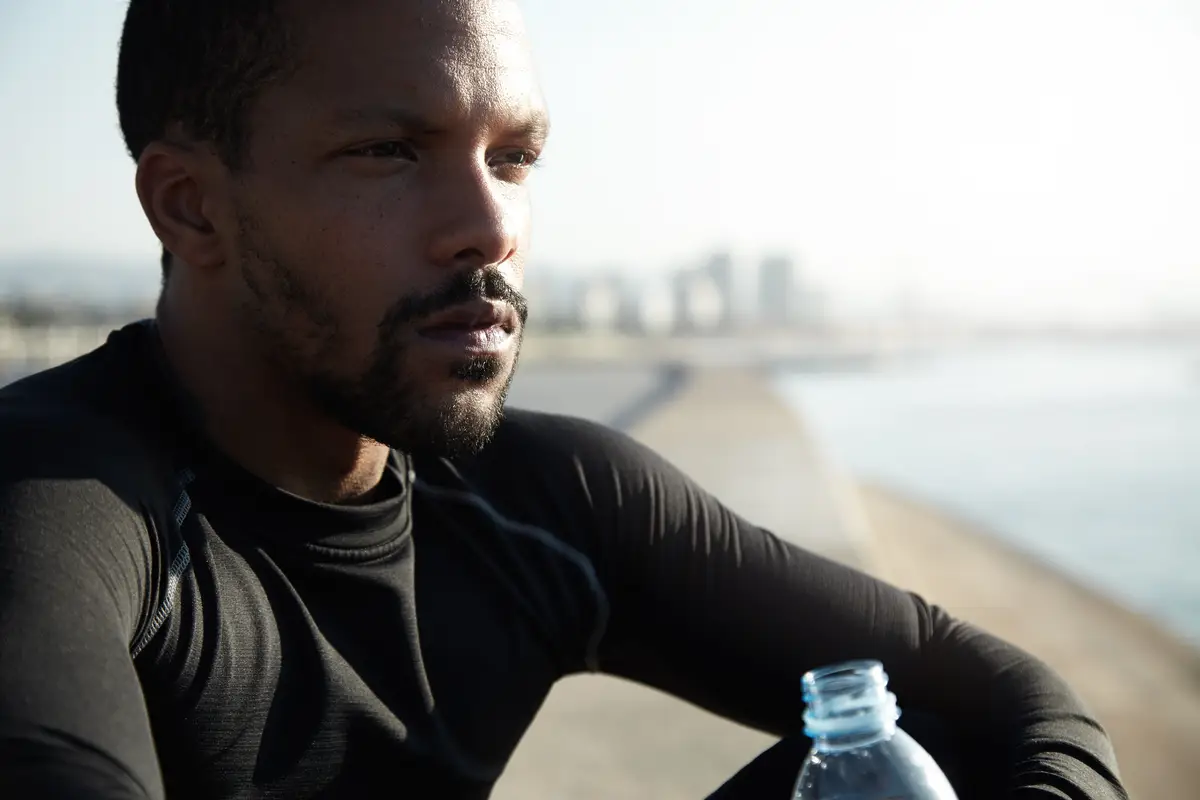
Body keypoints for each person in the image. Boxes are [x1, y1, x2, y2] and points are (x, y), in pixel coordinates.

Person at [0, 1, 1127, 798]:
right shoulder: (54, 506)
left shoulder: (544, 498)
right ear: (192, 208)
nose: (490, 227)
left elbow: (1009, 698)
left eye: (516, 155)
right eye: (392, 150)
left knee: (925, 753)